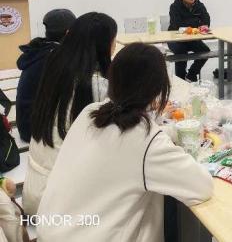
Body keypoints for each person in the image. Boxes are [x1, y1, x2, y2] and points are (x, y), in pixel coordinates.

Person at [36, 43, 213, 241]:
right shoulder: (147, 141)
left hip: (51, 230)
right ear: (158, 89)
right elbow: (202, 186)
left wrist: (171, 132)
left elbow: (125, 145)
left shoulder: (90, 113)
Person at [23, 12, 117, 215]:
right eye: (113, 40)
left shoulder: (55, 67)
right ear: (104, 45)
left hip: (34, 192)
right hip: (62, 207)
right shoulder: (97, 86)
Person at [15, 9, 76, 143]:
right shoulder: (55, 57)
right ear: (68, 33)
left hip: (26, 123)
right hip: (36, 131)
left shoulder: (42, 49)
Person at [168, 0, 211, 82]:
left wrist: (203, 25)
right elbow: (177, 25)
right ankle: (181, 80)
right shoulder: (174, 7)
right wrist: (196, 22)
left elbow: (206, 19)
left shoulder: (199, 5)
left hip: (192, 38)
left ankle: (191, 75)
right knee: (181, 52)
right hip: (175, 39)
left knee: (205, 51)